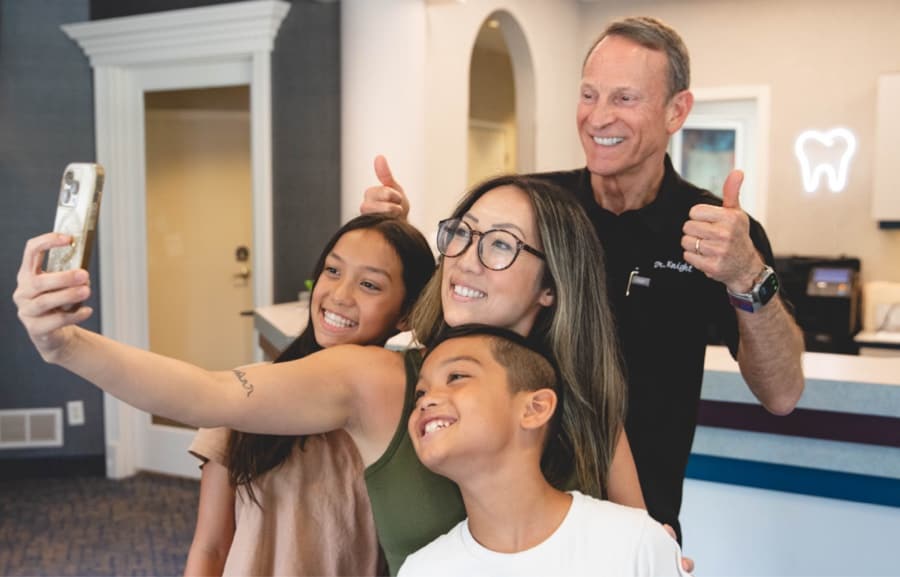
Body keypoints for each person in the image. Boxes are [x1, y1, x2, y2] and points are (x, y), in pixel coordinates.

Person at [14, 175, 632, 575]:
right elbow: (208, 392)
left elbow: (644, 539)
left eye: (500, 244)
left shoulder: (588, 401)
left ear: (553, 284)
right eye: (462, 235)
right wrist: (64, 344)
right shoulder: (388, 381)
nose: (468, 257)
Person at [360, 16, 805, 541]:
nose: (598, 117)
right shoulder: (533, 207)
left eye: (624, 99)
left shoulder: (718, 232)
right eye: (589, 94)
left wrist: (747, 274)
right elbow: (452, 310)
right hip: (498, 520)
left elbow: (782, 393)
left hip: (637, 526)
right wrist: (391, 242)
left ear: (676, 111)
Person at [183, 213, 435, 577]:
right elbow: (211, 546)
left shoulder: (406, 415)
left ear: (407, 313)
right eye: (333, 271)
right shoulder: (248, 393)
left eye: (369, 284)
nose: (339, 295)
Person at [398, 324, 690, 577]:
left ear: (535, 408)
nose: (427, 400)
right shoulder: (422, 570)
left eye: (457, 377)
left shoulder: (634, 541)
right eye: (420, 393)